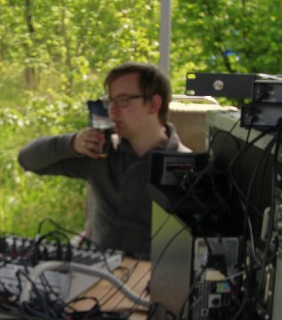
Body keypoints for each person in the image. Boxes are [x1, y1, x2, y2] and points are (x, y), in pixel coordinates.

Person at [17, 62, 188, 260]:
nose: (112, 111)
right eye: (109, 101)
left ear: (154, 104)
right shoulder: (101, 154)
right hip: (97, 269)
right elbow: (27, 159)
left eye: (123, 101)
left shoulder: (186, 166)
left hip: (155, 274)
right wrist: (73, 143)